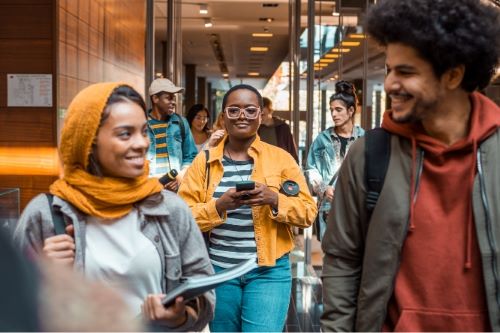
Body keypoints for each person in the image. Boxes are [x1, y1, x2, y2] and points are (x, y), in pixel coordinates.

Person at [320, 0, 500, 331]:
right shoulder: (370, 154)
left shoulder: (495, 153)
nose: (389, 85)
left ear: (453, 75)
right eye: (389, 70)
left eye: (406, 72)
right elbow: (342, 261)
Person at [13, 82, 214, 331]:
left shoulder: (169, 209)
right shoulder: (47, 213)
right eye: (125, 134)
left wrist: (180, 317)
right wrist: (42, 274)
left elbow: (204, 291)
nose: (141, 143)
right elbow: (12, 309)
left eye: (143, 132)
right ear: (88, 140)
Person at [178, 84, 317, 332]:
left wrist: (275, 199)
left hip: (269, 272)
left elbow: (307, 212)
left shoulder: (281, 159)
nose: (242, 116)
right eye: (234, 110)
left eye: (250, 110)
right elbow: (182, 217)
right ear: (223, 117)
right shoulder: (206, 161)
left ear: (261, 116)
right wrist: (218, 206)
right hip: (219, 273)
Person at [305, 81, 364, 240]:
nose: (334, 114)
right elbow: (311, 169)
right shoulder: (322, 140)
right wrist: (324, 188)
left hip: (357, 208)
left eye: (338, 110)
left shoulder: (365, 139)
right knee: (331, 256)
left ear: (351, 110)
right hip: (329, 209)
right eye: (331, 110)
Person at [147, 78, 198, 192]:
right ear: (155, 98)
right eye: (168, 98)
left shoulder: (180, 122)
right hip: (149, 189)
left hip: (175, 191)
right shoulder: (140, 124)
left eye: (173, 98)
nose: (173, 102)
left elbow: (191, 156)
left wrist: (179, 177)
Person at [258, 97, 299, 162]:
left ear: (270, 111)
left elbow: (291, 149)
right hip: (262, 166)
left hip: (280, 166)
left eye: (263, 114)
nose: (260, 117)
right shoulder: (256, 129)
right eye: (258, 114)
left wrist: (296, 167)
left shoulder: (283, 127)